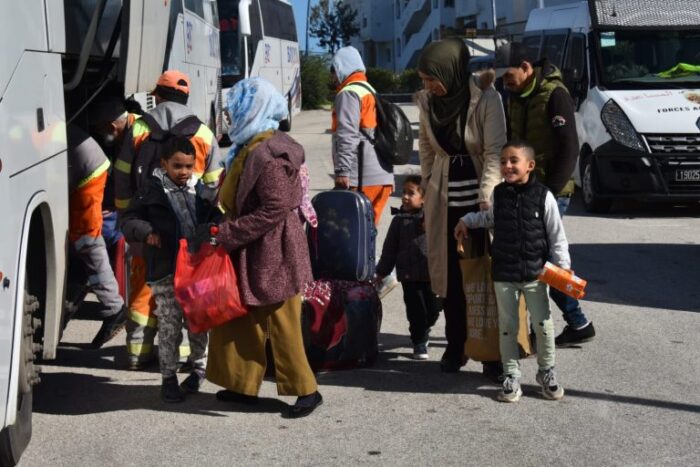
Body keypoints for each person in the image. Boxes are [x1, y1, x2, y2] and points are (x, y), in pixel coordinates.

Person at [207, 77, 322, 419]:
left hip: (274, 250)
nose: (229, 115)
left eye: (235, 108)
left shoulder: (268, 154)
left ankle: (307, 390)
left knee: (280, 322)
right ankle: (242, 384)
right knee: (241, 317)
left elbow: (275, 208)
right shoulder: (251, 144)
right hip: (258, 246)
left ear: (253, 108)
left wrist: (230, 232)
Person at [115, 70, 224, 370]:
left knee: (143, 283)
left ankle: (138, 351)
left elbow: (122, 175)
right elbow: (214, 183)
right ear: (186, 98)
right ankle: (184, 354)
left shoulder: (140, 127)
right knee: (185, 286)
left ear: (158, 96)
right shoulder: (203, 132)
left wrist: (127, 217)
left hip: (149, 222)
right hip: (187, 227)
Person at [415, 38, 507, 376]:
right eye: (425, 80)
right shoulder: (427, 102)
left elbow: (495, 151)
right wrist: (427, 188)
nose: (429, 86)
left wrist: (487, 195)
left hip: (478, 199)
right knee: (451, 279)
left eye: (432, 78)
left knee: (482, 276)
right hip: (444, 200)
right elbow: (426, 148)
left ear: (450, 70)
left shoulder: (486, 98)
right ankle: (457, 345)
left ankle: (491, 353)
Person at [455, 140, 567, 402]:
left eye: (514, 160)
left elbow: (556, 235)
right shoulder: (499, 193)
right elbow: (489, 219)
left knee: (543, 325)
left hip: (535, 274)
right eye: (503, 161)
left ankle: (546, 372)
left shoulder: (544, 196)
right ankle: (511, 375)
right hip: (504, 274)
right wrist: (466, 220)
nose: (507, 166)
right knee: (507, 326)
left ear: (530, 165)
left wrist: (563, 265)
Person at [500, 51, 596, 346]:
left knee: (538, 260)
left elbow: (569, 147)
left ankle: (571, 322)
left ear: (525, 67)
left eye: (509, 75)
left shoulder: (555, 95)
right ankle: (573, 323)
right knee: (535, 259)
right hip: (525, 190)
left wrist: (550, 192)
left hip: (550, 192)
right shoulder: (515, 96)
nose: (505, 83)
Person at [120, 136, 214, 402]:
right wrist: (146, 231)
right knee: (169, 325)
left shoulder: (199, 190)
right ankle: (169, 378)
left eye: (189, 166)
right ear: (164, 164)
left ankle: (198, 370)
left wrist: (214, 227)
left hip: (196, 270)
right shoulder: (151, 191)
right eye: (177, 166)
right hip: (166, 271)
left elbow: (212, 215)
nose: (184, 172)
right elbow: (128, 220)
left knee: (198, 323)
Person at [330, 46, 398, 298]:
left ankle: (379, 278)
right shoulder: (369, 89)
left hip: (362, 175)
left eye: (333, 69)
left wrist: (342, 171)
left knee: (356, 234)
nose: (332, 75)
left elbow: (347, 135)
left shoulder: (349, 93)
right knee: (368, 232)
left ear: (342, 68)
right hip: (382, 174)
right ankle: (373, 281)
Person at [66, 125, 127, 347]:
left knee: (86, 238)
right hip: (84, 164)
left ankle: (114, 308)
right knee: (81, 239)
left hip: (87, 169)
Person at [375, 175, 442, 360]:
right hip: (409, 276)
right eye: (404, 192)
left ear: (424, 199)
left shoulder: (431, 219)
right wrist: (381, 272)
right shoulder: (398, 220)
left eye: (411, 193)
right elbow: (389, 249)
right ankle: (419, 341)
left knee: (433, 309)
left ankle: (425, 327)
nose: (404, 197)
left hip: (431, 275)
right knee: (415, 311)